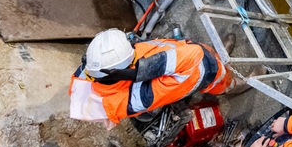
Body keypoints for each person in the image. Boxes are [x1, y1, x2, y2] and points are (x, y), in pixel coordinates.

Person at [74, 29, 233, 124]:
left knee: (202, 49)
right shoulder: (139, 98)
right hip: (198, 68)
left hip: (178, 51)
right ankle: (231, 84)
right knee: (216, 73)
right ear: (118, 71)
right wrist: (141, 71)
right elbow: (195, 57)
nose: (132, 44)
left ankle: (215, 53)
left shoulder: (89, 71)